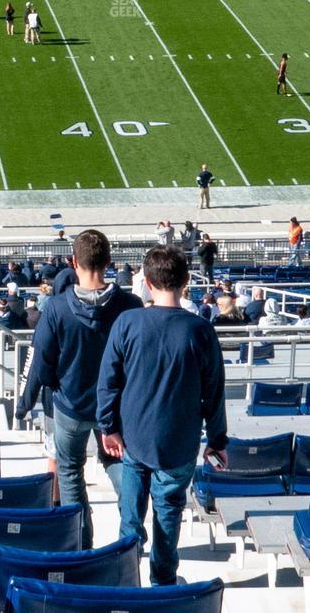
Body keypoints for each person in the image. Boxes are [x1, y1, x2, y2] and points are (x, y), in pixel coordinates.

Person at [96, 245, 228, 586]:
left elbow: (107, 382)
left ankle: (126, 580)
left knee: (130, 516)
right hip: (177, 441)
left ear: (148, 282)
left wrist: (108, 427)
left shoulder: (128, 322)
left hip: (134, 438)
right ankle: (162, 585)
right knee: (167, 516)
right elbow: (214, 393)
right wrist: (217, 440)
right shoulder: (200, 330)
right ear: (185, 282)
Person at [20, 229, 138, 548]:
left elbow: (42, 366)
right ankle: (130, 539)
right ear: (109, 262)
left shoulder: (57, 308)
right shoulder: (130, 305)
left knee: (71, 473)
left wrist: (60, 385)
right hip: (114, 408)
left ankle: (83, 548)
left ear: (74, 263)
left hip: (71, 406)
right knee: (118, 465)